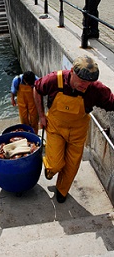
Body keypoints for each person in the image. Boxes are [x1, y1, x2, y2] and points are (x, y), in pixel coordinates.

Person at [33, 55, 114, 203]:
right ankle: (50, 168)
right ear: (71, 72)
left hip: (78, 132)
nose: (85, 85)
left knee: (71, 167)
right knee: (56, 164)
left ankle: (62, 191)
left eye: (89, 82)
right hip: (56, 128)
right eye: (82, 81)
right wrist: (41, 116)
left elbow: (111, 102)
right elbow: (37, 89)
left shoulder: (95, 89)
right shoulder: (54, 80)